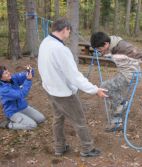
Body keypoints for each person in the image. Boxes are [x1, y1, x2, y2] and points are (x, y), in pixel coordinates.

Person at [38, 18, 108, 157]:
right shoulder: (61, 49)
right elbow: (74, 76)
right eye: (69, 31)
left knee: (58, 118)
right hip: (63, 93)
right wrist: (95, 89)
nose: (69, 33)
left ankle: (60, 147)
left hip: (50, 89)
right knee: (79, 120)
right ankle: (87, 149)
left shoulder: (45, 42)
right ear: (65, 30)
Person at [90, 32, 142, 132]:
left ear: (106, 44)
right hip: (123, 73)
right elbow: (108, 52)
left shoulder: (125, 48)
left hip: (131, 76)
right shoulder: (110, 45)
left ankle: (120, 110)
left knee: (105, 88)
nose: (99, 51)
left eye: (99, 49)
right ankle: (119, 112)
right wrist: (101, 52)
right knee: (109, 91)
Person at [0, 65, 45, 130]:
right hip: (13, 112)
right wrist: (28, 80)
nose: (9, 73)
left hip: (23, 107)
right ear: (1, 78)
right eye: (6, 73)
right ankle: (8, 124)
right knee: (33, 125)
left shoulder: (13, 78)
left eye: (8, 71)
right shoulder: (3, 90)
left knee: (41, 119)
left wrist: (29, 69)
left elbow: (29, 74)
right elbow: (21, 94)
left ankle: (21, 118)